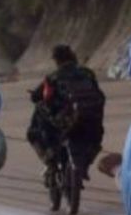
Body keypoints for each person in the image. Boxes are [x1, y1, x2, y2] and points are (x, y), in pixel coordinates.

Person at [27, 45, 105, 182]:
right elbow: (99, 94)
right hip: (92, 119)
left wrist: (36, 96)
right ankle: (84, 165)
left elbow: (37, 97)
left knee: (34, 132)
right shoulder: (87, 73)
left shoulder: (53, 77)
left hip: (66, 120)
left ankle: (50, 162)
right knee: (95, 140)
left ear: (57, 60)